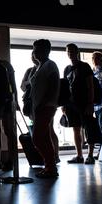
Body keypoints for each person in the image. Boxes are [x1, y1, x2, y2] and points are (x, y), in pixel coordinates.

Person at [63, 43, 100, 165]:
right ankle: (79, 155)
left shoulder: (85, 66)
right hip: (71, 103)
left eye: (72, 51)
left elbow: (90, 86)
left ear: (77, 52)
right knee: (75, 129)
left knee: (88, 127)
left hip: (84, 103)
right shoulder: (67, 69)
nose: (70, 53)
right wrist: (63, 104)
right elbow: (65, 87)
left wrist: (90, 103)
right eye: (68, 51)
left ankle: (90, 155)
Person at [29, 39, 60, 178]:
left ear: (45, 50)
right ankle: (50, 167)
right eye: (34, 49)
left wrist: (43, 103)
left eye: (36, 49)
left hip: (45, 106)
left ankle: (51, 167)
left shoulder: (50, 65)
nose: (34, 52)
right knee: (45, 138)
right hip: (39, 107)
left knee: (37, 138)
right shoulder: (39, 66)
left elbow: (53, 87)